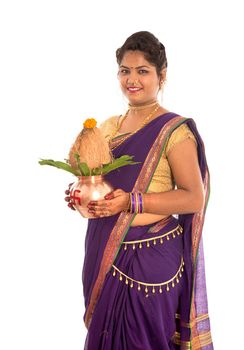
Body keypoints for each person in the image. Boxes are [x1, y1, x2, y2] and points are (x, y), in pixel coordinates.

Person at [65, 31, 213, 349]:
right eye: (125, 71)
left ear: (161, 76)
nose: (133, 80)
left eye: (142, 71)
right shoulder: (107, 127)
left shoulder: (173, 131)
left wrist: (130, 202)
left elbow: (193, 197)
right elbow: (96, 180)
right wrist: (80, 193)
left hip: (152, 260)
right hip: (105, 249)